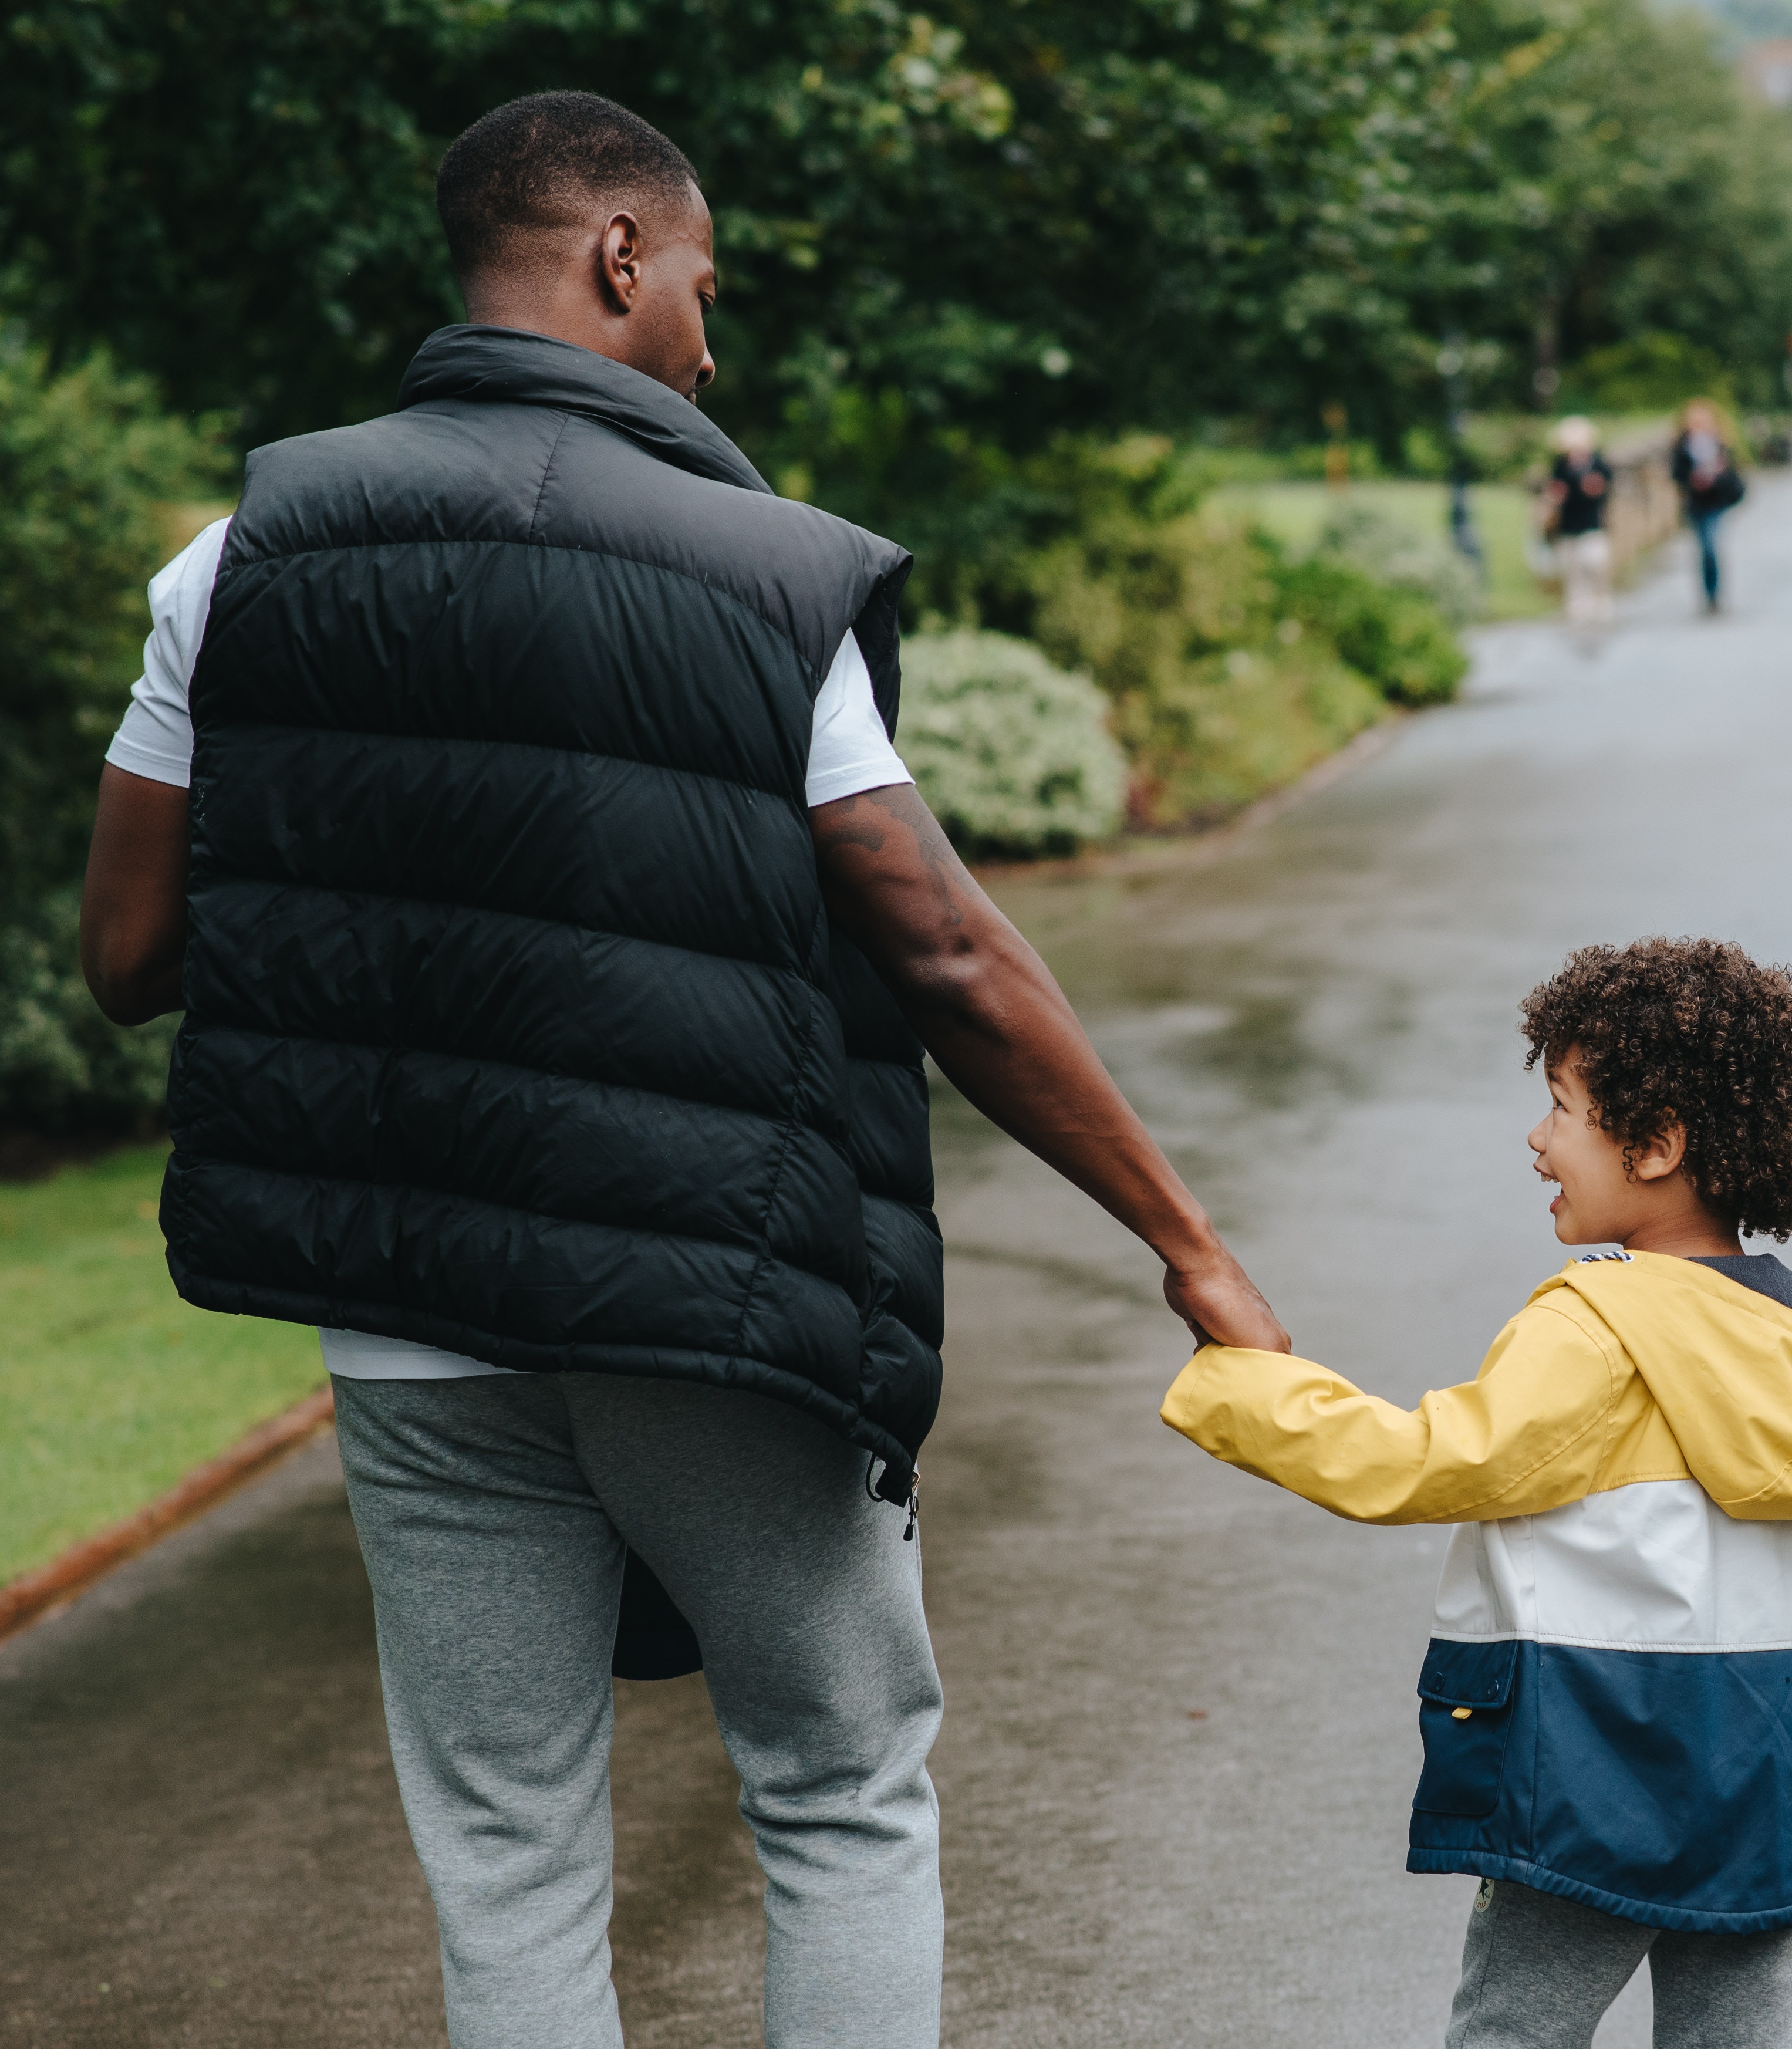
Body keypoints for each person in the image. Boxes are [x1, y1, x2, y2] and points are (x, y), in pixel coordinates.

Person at [74, 92, 1287, 2049]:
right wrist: (1183, 1238)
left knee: (505, 1846)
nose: (712, 343)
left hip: (405, 1317)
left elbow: (128, 959)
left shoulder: (237, 563)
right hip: (705, 1305)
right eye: (703, 288)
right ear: (619, 257)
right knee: (837, 1777)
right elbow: (949, 951)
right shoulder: (757, 574)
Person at [1162, 938, 1792, 2049]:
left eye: (1559, 1108)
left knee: (1512, 2032)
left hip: (1593, 1771)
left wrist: (1241, 1383)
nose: (1536, 1141)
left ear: (1655, 1144)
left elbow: (1427, 1462)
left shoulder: (1597, 1326)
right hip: (1774, 1780)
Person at [1668, 398, 1746, 615]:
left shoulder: (1720, 444)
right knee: (1704, 549)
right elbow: (1676, 474)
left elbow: (1734, 473)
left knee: (1711, 547)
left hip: (1716, 502)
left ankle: (1714, 595)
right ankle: (1708, 594)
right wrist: (1692, 479)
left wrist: (1717, 475)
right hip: (1696, 504)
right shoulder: (1681, 446)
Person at [1544, 416, 1616, 634]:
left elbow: (1606, 487)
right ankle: (1577, 605)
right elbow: (1554, 490)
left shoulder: (1598, 463)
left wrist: (1596, 489)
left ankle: (1601, 600)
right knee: (1572, 567)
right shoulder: (1560, 466)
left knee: (1595, 562)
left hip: (1593, 522)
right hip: (1568, 523)